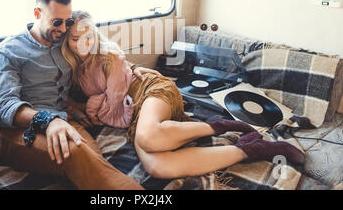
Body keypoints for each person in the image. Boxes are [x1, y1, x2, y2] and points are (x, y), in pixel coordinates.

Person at [61, 11, 305, 179]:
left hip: (150, 89)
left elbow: (112, 101)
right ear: (65, 41)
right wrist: (77, 110)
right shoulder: (70, 68)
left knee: (148, 138)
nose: (84, 43)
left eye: (89, 36)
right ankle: (253, 150)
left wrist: (91, 110)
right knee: (157, 167)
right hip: (134, 111)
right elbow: (79, 100)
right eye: (75, 38)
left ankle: (219, 126)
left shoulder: (108, 55)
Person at [0, 0, 157, 190]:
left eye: (67, 22)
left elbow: (99, 52)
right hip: (16, 131)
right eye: (56, 22)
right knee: (76, 153)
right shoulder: (9, 51)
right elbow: (4, 107)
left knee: (91, 156)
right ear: (37, 13)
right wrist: (47, 120)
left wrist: (131, 67)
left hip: (63, 119)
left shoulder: (65, 41)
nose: (62, 28)